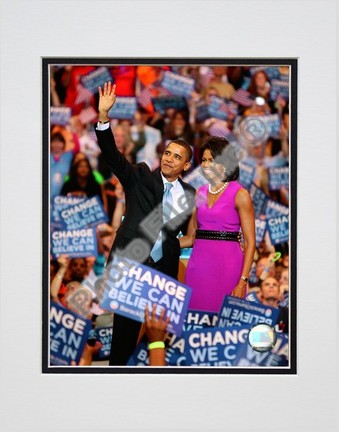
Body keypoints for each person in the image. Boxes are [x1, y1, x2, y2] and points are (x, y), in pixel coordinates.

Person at [95, 81, 195, 365]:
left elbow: (180, 234)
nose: (170, 159)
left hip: (163, 273)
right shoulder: (139, 176)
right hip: (131, 265)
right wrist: (104, 117)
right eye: (167, 153)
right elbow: (112, 157)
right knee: (124, 339)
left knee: (155, 339)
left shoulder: (189, 194)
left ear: (186, 165)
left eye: (177, 157)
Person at [181, 136, 256, 312]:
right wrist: (161, 242)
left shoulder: (240, 194)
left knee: (224, 325)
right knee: (196, 322)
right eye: (204, 160)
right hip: (198, 268)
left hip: (228, 267)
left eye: (211, 160)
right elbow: (191, 236)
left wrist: (242, 281)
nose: (205, 165)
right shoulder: (200, 192)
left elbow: (250, 243)